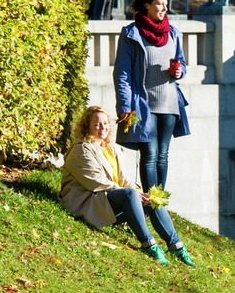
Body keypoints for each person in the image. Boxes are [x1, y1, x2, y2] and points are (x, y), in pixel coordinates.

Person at [113, 0, 195, 266]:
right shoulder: (131, 33)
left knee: (163, 155)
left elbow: (182, 63)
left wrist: (179, 70)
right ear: (146, 5)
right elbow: (122, 74)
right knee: (149, 155)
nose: (163, 8)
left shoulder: (173, 32)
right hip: (143, 105)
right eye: (159, 3)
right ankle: (154, 203)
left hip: (169, 105)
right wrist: (125, 106)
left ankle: (155, 202)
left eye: (165, 4)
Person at [60, 105, 179, 264]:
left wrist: (139, 192)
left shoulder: (111, 148)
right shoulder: (81, 149)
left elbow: (123, 179)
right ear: (87, 127)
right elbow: (96, 182)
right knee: (129, 194)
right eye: (97, 124)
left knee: (152, 199)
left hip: (109, 198)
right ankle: (149, 244)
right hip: (88, 201)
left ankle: (176, 246)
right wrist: (132, 193)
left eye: (105, 123)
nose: (102, 127)